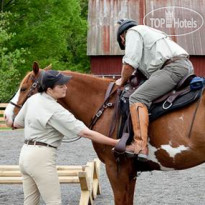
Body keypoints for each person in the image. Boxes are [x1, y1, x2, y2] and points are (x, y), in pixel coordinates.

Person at [14, 70, 119, 205]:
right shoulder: (57, 110)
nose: (66, 88)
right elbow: (86, 133)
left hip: (25, 156)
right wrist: (115, 141)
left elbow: (16, 123)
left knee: (30, 202)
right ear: (49, 89)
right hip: (41, 158)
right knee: (54, 202)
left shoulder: (33, 99)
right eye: (61, 86)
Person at [116, 19, 194, 161]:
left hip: (172, 68)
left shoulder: (132, 32)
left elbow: (129, 64)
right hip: (184, 65)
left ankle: (140, 145)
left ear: (122, 37)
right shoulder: (152, 32)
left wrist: (121, 81)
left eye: (124, 44)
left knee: (137, 98)